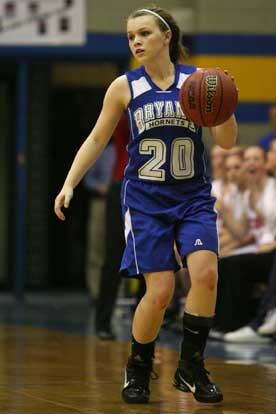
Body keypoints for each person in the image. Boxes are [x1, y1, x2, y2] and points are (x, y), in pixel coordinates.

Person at [54, 5, 237, 404]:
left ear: (166, 37)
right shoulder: (124, 86)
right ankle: (138, 366)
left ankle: (191, 368)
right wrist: (69, 183)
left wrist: (226, 105)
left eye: (144, 34)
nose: (136, 41)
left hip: (192, 198)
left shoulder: (200, 81)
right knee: (160, 291)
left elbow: (225, 142)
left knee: (206, 275)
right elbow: (96, 140)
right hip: (146, 202)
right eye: (130, 36)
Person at [95, 113, 129, 340]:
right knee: (113, 257)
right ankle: (102, 322)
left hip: (153, 189)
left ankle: (147, 325)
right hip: (122, 187)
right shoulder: (124, 105)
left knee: (154, 260)